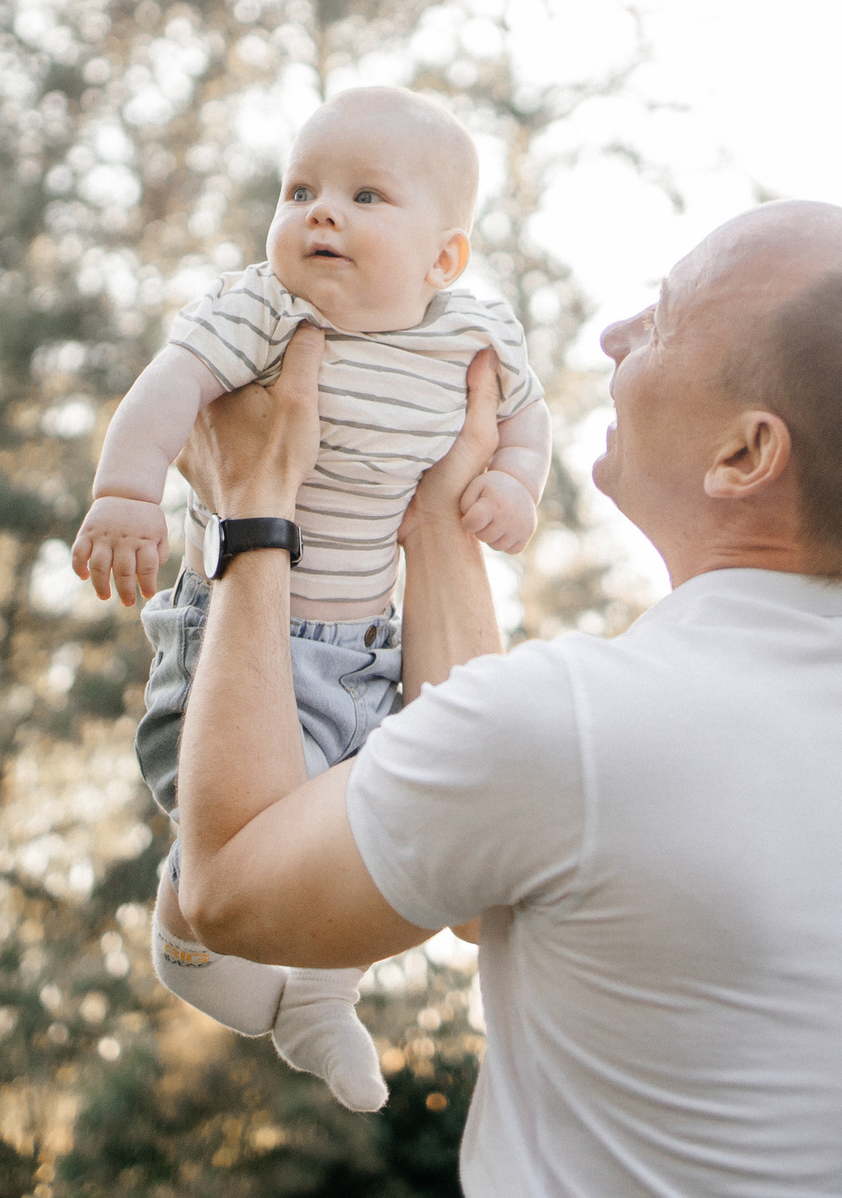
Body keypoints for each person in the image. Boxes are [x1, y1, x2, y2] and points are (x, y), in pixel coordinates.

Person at [168, 200, 842, 1195]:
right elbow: (493, 859)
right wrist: (438, 525)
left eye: (661, 323)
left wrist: (252, 508)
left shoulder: (586, 728)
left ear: (744, 455)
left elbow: (229, 891)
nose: (613, 338)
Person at [69, 85, 552, 1110]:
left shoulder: (471, 334)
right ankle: (188, 916)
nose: (321, 211)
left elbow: (526, 419)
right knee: (253, 815)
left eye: (365, 196)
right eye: (299, 192)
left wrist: (512, 482)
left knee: (372, 818)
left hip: (368, 640)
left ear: (445, 258)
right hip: (237, 636)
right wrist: (125, 492)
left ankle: (324, 997)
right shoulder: (263, 310)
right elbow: (168, 387)